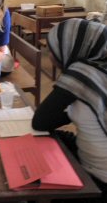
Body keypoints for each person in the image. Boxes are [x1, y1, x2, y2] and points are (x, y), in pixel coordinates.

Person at [32, 18, 107, 202]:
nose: (51, 56)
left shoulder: (83, 73)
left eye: (53, 50)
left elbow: (41, 121)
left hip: (97, 183)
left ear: (74, 47)